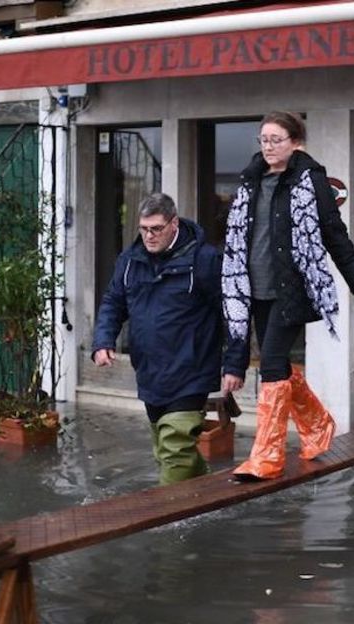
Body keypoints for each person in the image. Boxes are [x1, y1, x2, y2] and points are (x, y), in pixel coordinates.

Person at [221, 111, 354, 481]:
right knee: (279, 367)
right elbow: (239, 238)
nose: (269, 146)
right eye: (264, 139)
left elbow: (334, 234)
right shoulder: (250, 181)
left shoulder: (310, 181)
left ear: (295, 142)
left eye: (276, 139)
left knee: (271, 364)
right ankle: (318, 424)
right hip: (252, 287)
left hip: (291, 290)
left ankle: (267, 458)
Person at [92, 192, 222, 485]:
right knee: (167, 450)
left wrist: (236, 363)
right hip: (151, 370)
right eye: (143, 229)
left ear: (173, 223)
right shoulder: (129, 261)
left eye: (156, 229)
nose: (148, 236)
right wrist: (103, 341)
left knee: (174, 446)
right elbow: (114, 302)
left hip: (192, 369)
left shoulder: (204, 260)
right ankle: (209, 490)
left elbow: (231, 310)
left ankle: (169, 521)